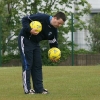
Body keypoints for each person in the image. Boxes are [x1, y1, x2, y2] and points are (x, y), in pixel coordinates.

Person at [18, 12, 66, 94]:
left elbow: (53, 44)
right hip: (25, 39)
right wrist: (30, 30)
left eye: (61, 24)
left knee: (37, 65)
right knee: (27, 64)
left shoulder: (54, 30)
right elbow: (24, 19)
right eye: (59, 23)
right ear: (54, 18)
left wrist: (55, 56)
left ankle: (39, 89)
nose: (59, 25)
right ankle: (27, 90)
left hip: (35, 43)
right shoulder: (42, 17)